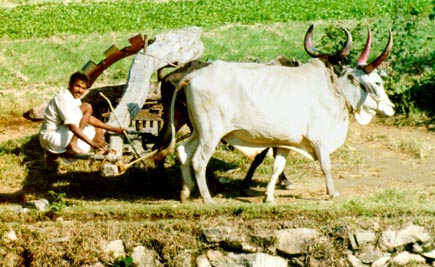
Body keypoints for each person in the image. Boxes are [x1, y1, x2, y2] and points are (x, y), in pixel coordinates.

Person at [39, 72, 124, 158]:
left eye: (83, 88)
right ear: (70, 85)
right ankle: (73, 144)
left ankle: (102, 150)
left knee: (98, 128)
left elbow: (89, 119)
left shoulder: (74, 98)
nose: (80, 90)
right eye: (77, 86)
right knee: (87, 107)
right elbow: (72, 126)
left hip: (59, 136)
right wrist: (91, 143)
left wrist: (113, 129)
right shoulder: (63, 98)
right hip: (53, 138)